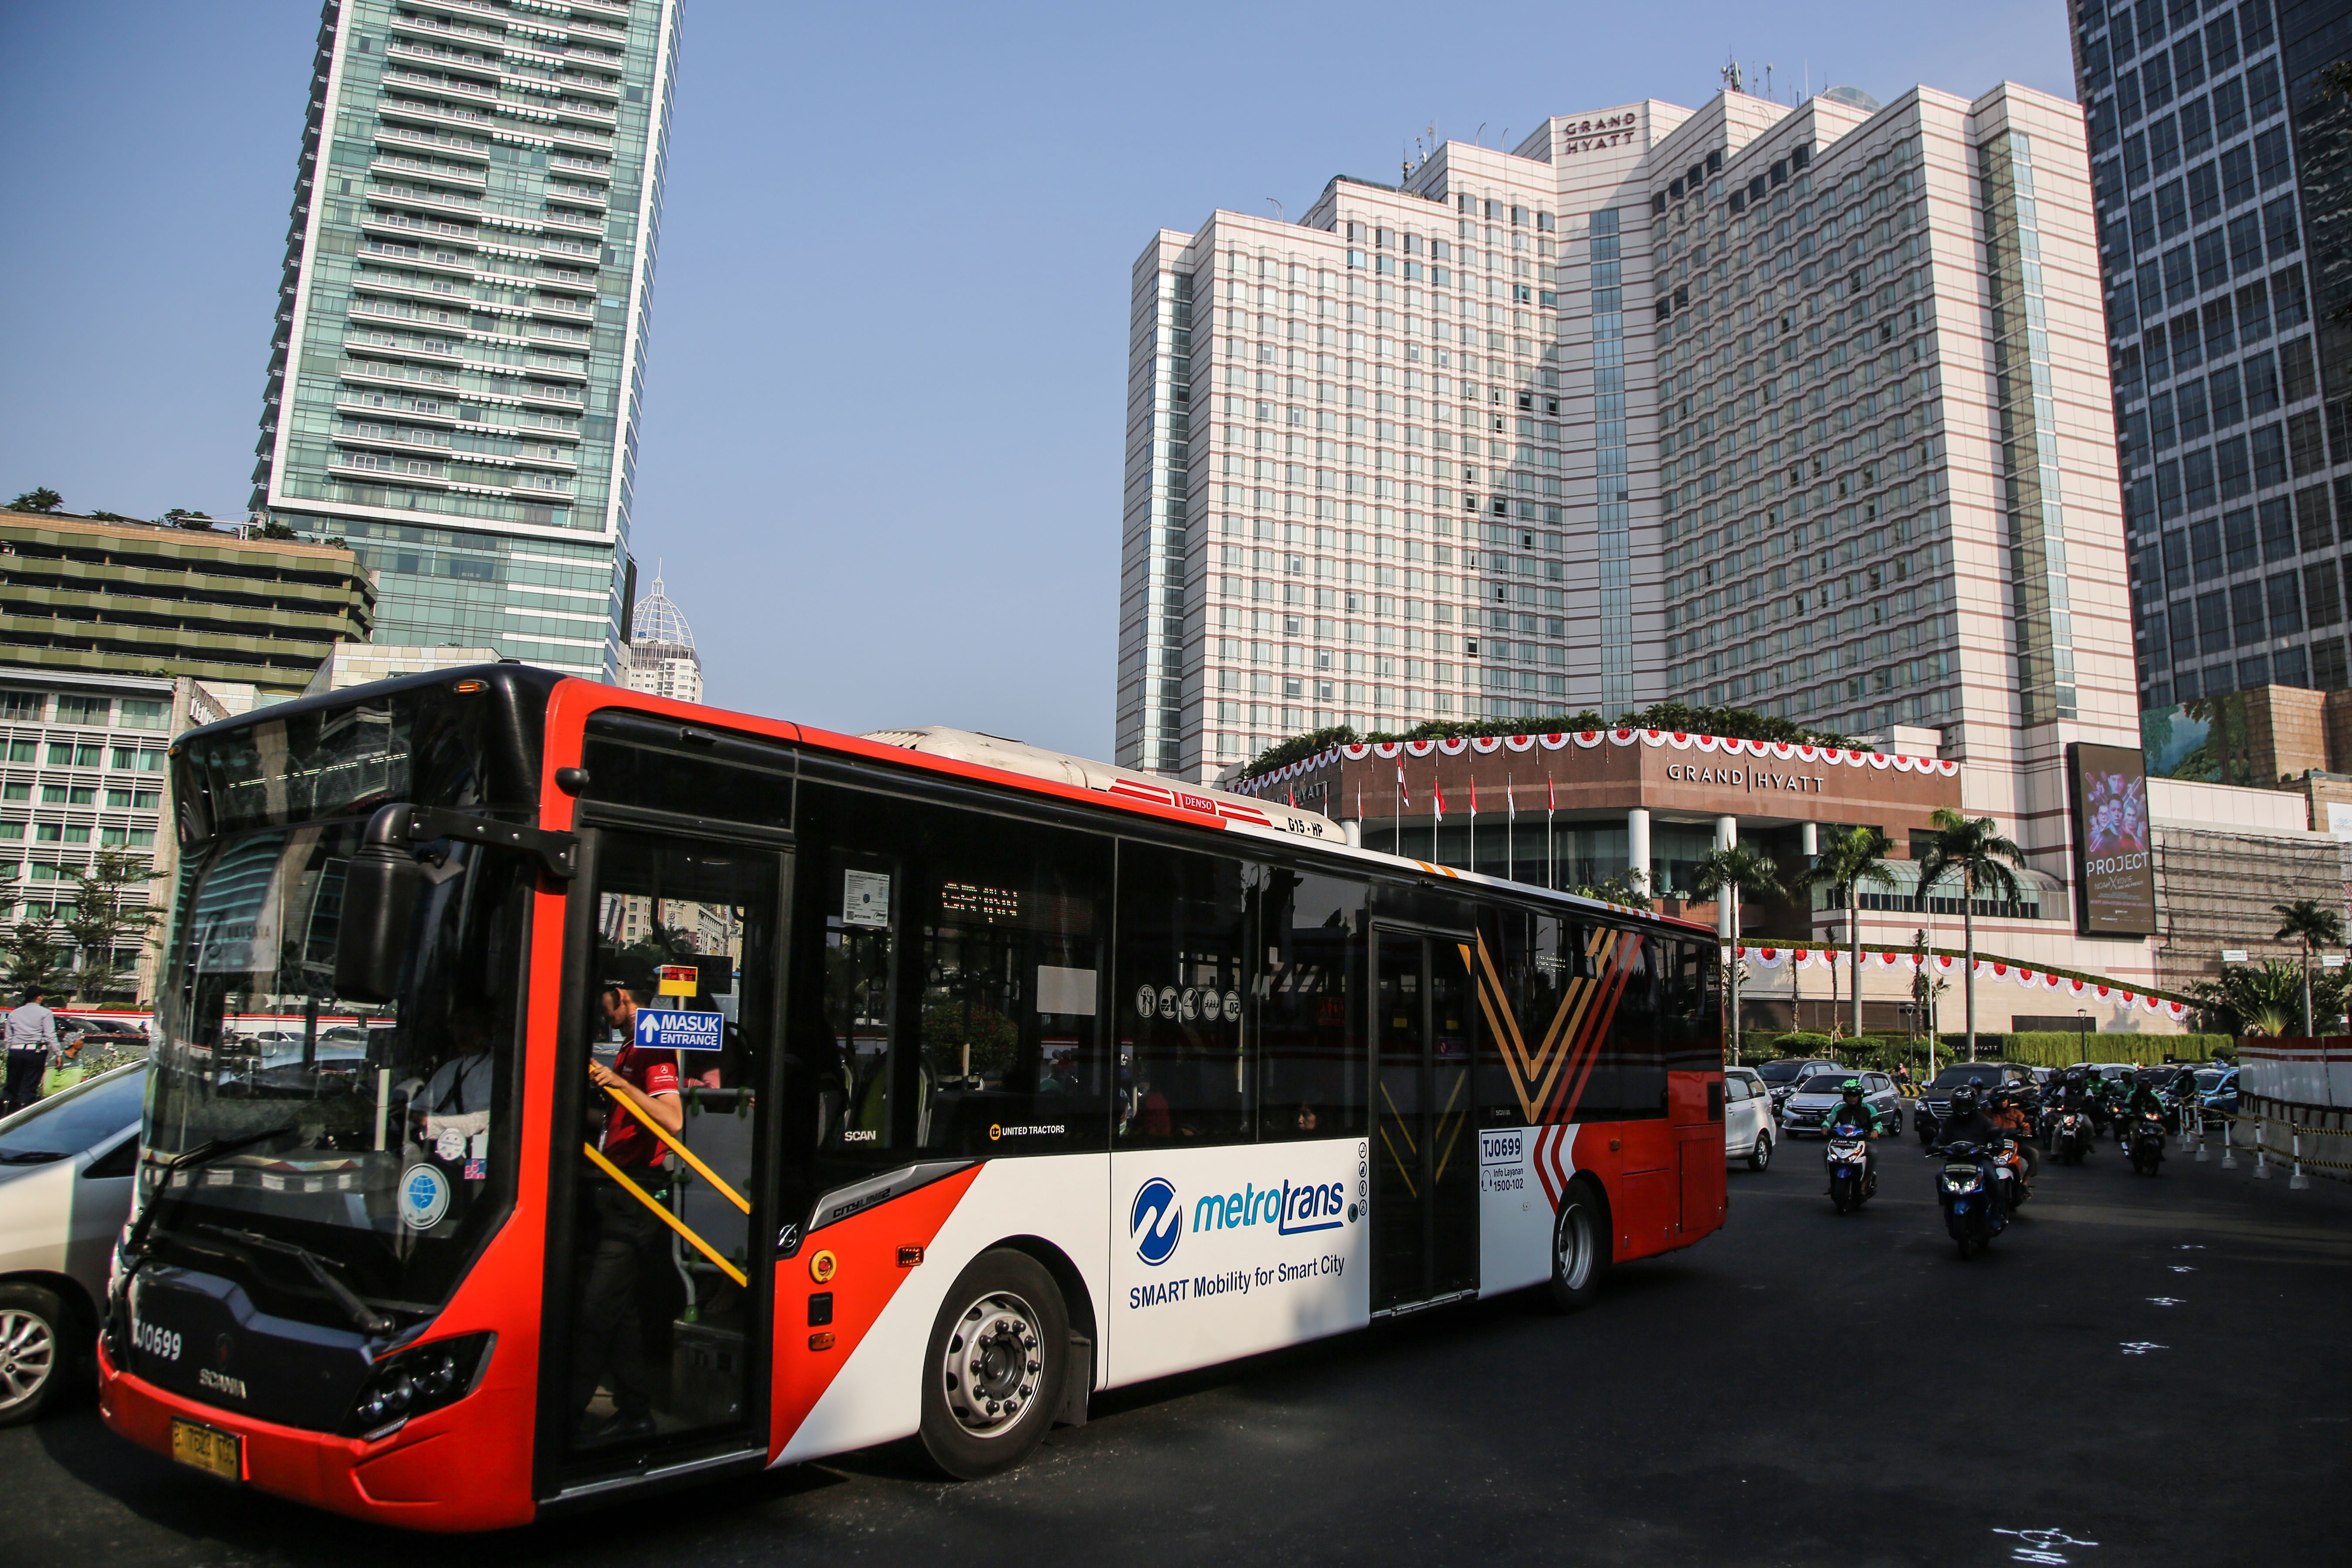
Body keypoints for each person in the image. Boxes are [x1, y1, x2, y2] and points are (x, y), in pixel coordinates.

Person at [569, 975, 683, 1446]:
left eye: (607, 1002)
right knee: (620, 1311)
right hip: (613, 1183)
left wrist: (618, 1084)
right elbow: (619, 1119)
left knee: (596, 1310)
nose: (604, 1012)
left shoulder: (652, 1048)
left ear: (623, 996)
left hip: (637, 1189)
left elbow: (672, 1118)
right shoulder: (629, 1046)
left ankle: (563, 1414)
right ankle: (635, 1409)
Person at [1932, 1082, 2009, 1224]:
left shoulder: (1983, 1121)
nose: (1963, 1107)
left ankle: (1998, 1211)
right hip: (1955, 1162)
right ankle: (1946, 1205)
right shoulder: (1949, 1122)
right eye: (1959, 1104)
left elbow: (1996, 1135)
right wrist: (1935, 1147)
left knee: (1992, 1177)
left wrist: (1997, 1145)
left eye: (1966, 1103)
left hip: (1979, 1160)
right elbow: (1940, 1139)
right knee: (1939, 1177)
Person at [2, 988, 61, 1116]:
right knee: (29, 1087)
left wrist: (11, 1052)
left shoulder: (14, 1013)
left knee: (12, 1085)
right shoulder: (45, 1013)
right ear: (39, 997)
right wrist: (59, 1053)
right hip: (35, 1051)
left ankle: (5, 1112)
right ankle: (25, 1116)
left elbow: (9, 1037)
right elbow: (50, 1035)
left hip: (15, 1051)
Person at [1824, 1078, 1884, 1190]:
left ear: (1860, 1096)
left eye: (1855, 1095)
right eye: (1849, 1096)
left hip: (1862, 1141)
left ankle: (1865, 1182)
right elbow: (1829, 1120)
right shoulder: (1839, 1109)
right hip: (1841, 1141)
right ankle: (1833, 1181)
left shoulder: (1869, 1109)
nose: (1852, 1098)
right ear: (1844, 1096)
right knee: (1825, 1150)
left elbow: (1878, 1124)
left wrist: (1875, 1131)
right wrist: (1825, 1127)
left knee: (1873, 1153)